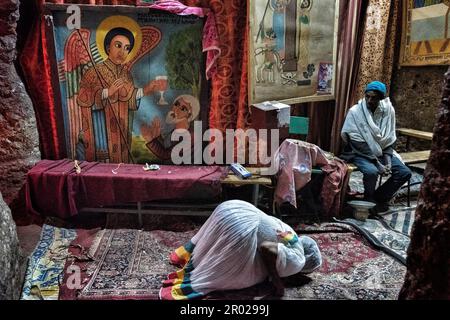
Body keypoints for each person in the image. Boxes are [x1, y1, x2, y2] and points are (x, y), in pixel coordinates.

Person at [159, 200, 322, 300]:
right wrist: (277, 282)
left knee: (213, 242)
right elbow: (267, 249)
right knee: (238, 275)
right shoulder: (299, 261)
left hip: (234, 208)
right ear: (305, 267)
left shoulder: (291, 233)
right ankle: (186, 288)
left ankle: (184, 255)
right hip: (240, 229)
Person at [77, 27, 166, 163]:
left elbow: (129, 97)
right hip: (100, 129)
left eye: (126, 48)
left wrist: (147, 89)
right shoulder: (94, 72)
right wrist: (107, 92)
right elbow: (82, 97)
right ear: (108, 48)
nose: (122, 52)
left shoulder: (126, 75)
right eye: (118, 46)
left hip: (121, 130)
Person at [341, 81, 412, 213]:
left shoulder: (388, 111)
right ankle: (369, 198)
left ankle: (378, 197)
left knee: (404, 173)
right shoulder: (355, 112)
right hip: (358, 152)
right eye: (367, 96)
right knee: (371, 171)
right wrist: (377, 163)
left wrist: (388, 161)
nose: (369, 100)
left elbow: (389, 138)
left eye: (373, 98)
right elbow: (357, 142)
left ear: (381, 98)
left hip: (381, 151)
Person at [140, 94, 200, 161]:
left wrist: (149, 139)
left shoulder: (191, 136)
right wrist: (157, 136)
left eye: (183, 108)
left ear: (189, 115)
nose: (176, 109)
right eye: (177, 104)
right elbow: (166, 147)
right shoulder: (176, 130)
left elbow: (166, 155)